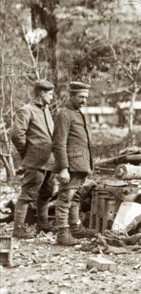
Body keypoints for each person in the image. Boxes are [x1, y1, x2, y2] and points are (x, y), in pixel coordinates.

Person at [52, 81, 97, 245]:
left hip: (80, 165)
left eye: (86, 97)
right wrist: (63, 168)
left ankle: (75, 228)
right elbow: (59, 144)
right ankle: (63, 234)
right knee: (65, 199)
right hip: (70, 166)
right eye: (80, 97)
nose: (84, 100)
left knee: (75, 197)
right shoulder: (64, 114)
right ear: (71, 96)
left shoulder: (79, 113)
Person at [10, 80, 56, 238]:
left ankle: (42, 225)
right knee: (27, 195)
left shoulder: (46, 110)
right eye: (50, 94)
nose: (52, 97)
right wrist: (27, 153)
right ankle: (19, 229)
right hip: (35, 161)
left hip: (49, 161)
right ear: (42, 94)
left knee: (46, 193)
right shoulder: (26, 110)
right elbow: (16, 135)